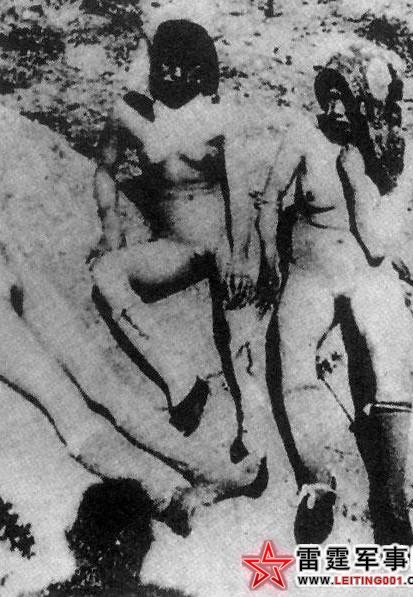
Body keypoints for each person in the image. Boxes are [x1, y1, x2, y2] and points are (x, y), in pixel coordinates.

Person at [256, 53, 413, 546]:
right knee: (291, 352)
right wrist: (269, 254)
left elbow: (383, 236)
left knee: (391, 360)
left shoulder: (386, 148)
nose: (335, 108)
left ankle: (391, 501)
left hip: (367, 273)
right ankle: (316, 484)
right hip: (311, 272)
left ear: (367, 105)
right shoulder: (303, 134)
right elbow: (270, 198)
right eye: (330, 95)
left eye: (347, 99)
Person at [0, 232, 266, 542]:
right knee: (65, 404)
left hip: (7, 257)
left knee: (103, 381)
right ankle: (167, 498)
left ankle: (209, 471)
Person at [90, 19, 258, 464]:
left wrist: (240, 254)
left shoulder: (220, 113)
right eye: (163, 61)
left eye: (182, 63)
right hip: (176, 247)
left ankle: (251, 429)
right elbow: (104, 168)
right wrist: (111, 228)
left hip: (222, 241)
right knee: (106, 273)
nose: (170, 71)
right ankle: (181, 380)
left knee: (237, 330)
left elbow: (240, 191)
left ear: (200, 69)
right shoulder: (131, 113)